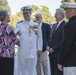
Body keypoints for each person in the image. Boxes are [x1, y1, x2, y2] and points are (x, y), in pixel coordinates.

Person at [15, 6, 42, 75]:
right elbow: (16, 36)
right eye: (24, 13)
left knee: (32, 70)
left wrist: (39, 48)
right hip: (23, 50)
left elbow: (39, 37)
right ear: (23, 14)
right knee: (21, 71)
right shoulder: (19, 24)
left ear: (30, 13)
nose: (26, 15)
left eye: (27, 13)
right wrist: (17, 39)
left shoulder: (36, 24)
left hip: (32, 51)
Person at [58, 2, 76, 75]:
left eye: (66, 11)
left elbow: (66, 45)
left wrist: (60, 61)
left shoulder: (70, 25)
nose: (65, 13)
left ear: (71, 11)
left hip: (71, 61)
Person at [47, 8, 66, 75]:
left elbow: (63, 40)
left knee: (58, 73)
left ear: (62, 15)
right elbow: (50, 37)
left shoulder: (65, 25)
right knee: (52, 72)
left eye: (56, 14)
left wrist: (54, 48)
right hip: (51, 54)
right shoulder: (54, 25)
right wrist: (48, 46)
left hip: (58, 54)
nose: (54, 16)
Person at [0, 10, 19, 75]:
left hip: (1, 55)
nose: (9, 17)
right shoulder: (8, 27)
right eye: (8, 15)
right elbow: (15, 39)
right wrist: (19, 43)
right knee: (8, 72)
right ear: (5, 17)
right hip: (8, 55)